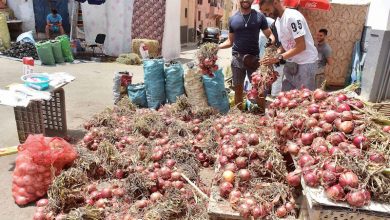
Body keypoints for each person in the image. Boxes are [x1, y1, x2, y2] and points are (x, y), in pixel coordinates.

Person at [219, 0, 273, 110]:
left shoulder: (259, 17)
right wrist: (217, 47)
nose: (245, 0)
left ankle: (261, 113)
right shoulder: (233, 19)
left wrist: (270, 43)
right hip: (237, 59)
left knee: (259, 89)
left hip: (254, 60)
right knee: (238, 89)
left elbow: (270, 35)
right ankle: (239, 115)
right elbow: (230, 41)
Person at [259, 0, 318, 91]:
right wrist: (275, 54)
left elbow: (301, 46)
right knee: (286, 96)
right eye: (264, 12)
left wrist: (278, 57)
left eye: (267, 9)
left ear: (275, 2)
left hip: (306, 63)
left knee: (304, 98)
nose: (267, 13)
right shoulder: (278, 21)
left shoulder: (292, 17)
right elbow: (286, 43)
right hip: (291, 62)